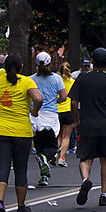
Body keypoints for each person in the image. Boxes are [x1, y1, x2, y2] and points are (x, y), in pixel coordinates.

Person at [0, 55, 42, 212]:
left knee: (2, 168)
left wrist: (3, 106)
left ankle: (0, 204)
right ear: (22, 66)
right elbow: (38, 98)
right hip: (21, 132)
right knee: (20, 169)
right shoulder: (26, 82)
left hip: (0, 131)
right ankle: (20, 207)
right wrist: (35, 111)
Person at [69, 47, 106, 206]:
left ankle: (86, 180)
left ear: (92, 61)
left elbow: (74, 102)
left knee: (85, 158)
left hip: (87, 124)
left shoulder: (82, 78)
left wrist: (76, 121)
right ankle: (104, 194)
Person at [30, 52, 67, 187]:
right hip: (51, 115)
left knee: (39, 145)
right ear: (50, 63)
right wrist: (55, 101)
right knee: (52, 146)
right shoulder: (57, 78)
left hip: (35, 115)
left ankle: (44, 176)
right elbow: (64, 96)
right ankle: (45, 162)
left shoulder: (30, 79)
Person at [56, 61, 76, 167]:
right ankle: (62, 157)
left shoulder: (56, 81)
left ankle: (55, 153)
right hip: (68, 111)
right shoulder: (72, 82)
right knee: (66, 137)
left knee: (58, 135)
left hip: (56, 111)